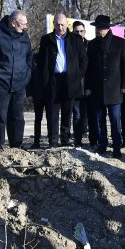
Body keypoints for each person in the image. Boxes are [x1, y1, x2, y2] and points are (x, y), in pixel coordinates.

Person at [0, 9, 33, 148]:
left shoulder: (25, 37)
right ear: (14, 23)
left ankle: (17, 146)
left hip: (20, 83)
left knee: (18, 118)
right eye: (23, 24)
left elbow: (29, 59)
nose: (25, 27)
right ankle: (0, 146)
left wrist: (26, 77)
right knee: (1, 117)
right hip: (1, 82)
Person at [37, 12, 88, 147]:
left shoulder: (76, 40)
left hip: (70, 80)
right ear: (53, 24)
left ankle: (65, 140)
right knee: (52, 113)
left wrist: (77, 75)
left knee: (67, 112)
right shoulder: (46, 39)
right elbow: (41, 61)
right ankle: (53, 141)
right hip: (53, 80)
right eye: (58, 24)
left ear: (67, 24)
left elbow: (83, 60)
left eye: (63, 25)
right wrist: (45, 78)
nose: (60, 27)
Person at [84, 15, 125, 158]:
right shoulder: (92, 45)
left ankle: (117, 147)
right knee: (99, 120)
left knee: (115, 120)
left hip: (115, 89)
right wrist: (88, 86)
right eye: (97, 28)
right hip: (97, 89)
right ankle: (102, 144)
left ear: (108, 28)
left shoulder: (120, 43)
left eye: (101, 28)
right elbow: (89, 68)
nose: (99, 30)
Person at [70, 21, 93, 147]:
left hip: (89, 86)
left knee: (90, 115)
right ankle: (77, 141)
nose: (79, 33)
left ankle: (92, 141)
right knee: (77, 115)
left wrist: (90, 86)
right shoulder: (70, 45)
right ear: (73, 32)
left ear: (85, 31)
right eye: (76, 31)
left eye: (81, 31)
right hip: (76, 86)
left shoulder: (91, 45)